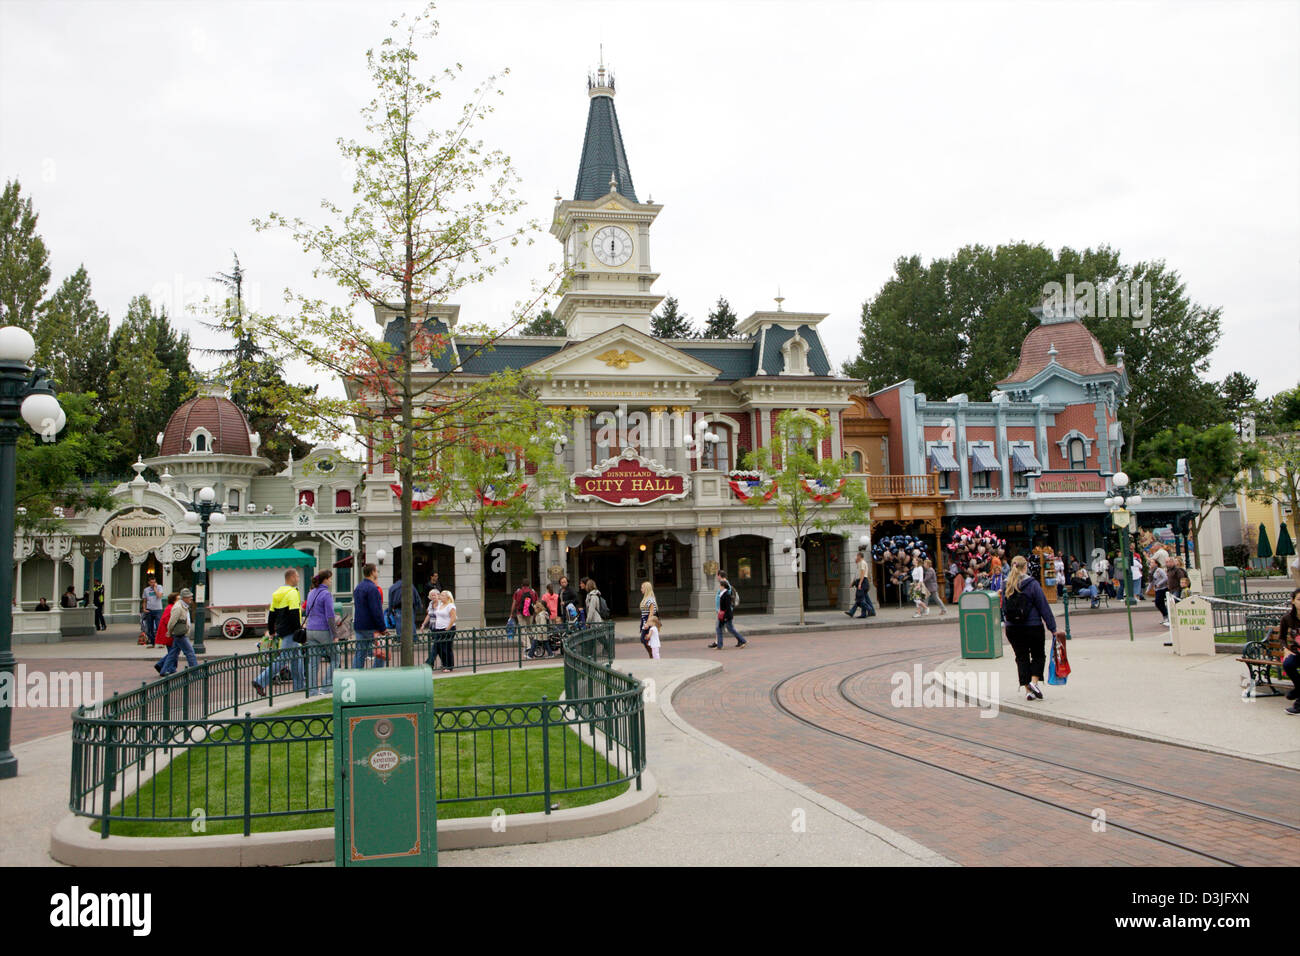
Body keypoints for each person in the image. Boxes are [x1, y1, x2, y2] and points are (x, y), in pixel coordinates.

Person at [1000, 555, 1064, 702]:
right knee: (1038, 655)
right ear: (1025, 567)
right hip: (1033, 626)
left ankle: (1028, 691)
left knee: (1021, 657)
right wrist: (1052, 628)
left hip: (1013, 628)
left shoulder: (1006, 584)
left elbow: (1003, 607)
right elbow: (1043, 607)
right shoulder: (1032, 584)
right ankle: (1034, 683)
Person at [253, 569, 304, 696]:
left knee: (297, 658)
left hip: (283, 630)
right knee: (283, 659)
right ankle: (260, 681)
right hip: (291, 632)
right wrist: (299, 632)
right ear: (291, 577)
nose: (298, 579)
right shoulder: (292, 592)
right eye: (297, 576)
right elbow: (293, 614)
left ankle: (300, 687)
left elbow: (272, 614)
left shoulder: (277, 593)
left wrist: (271, 630)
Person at [302, 570, 336, 696]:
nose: (331, 581)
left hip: (310, 630)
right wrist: (335, 634)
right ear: (325, 579)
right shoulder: (326, 594)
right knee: (335, 657)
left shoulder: (311, 593)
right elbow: (330, 616)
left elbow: (307, 611)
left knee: (313, 662)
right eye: (330, 579)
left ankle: (312, 691)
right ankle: (327, 686)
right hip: (323, 630)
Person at [158, 589, 199, 673]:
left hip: (181, 633)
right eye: (189, 597)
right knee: (190, 652)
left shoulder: (184, 606)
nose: (191, 598)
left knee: (173, 653)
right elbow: (172, 621)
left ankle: (163, 670)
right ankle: (195, 671)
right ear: (184, 598)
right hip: (180, 633)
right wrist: (169, 631)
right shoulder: (178, 607)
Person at [353, 563, 385, 669]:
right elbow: (376, 610)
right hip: (371, 626)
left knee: (360, 653)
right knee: (381, 651)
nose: (377, 573)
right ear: (372, 572)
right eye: (376, 571)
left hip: (359, 625)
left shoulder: (358, 587)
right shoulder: (373, 589)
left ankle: (355, 675)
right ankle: (375, 673)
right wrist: (382, 628)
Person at [1275, 588, 1300, 715]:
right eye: (1299, 599)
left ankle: (1298, 704)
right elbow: (1282, 638)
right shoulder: (1287, 619)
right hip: (1296, 653)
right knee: (1288, 664)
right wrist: (1285, 649)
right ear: (1293, 601)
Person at [707, 572, 748, 649]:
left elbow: (727, 603)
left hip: (724, 613)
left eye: (720, 586)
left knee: (722, 628)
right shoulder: (724, 590)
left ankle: (741, 641)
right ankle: (720, 644)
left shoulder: (726, 591)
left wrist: (723, 613)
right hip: (723, 612)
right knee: (726, 628)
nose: (719, 587)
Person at [426, 590, 456, 672]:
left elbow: (453, 617)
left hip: (447, 629)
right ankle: (443, 664)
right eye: (440, 595)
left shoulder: (450, 606)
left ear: (447, 597)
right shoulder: (440, 605)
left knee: (446, 648)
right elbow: (431, 614)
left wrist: (448, 628)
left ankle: (449, 666)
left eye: (442, 595)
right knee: (439, 647)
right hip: (438, 629)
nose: (440, 597)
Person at [387, 575, 423, 642]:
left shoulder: (393, 587)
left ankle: (400, 638)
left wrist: (389, 612)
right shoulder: (410, 585)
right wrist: (419, 607)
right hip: (409, 607)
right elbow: (417, 597)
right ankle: (414, 638)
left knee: (399, 623)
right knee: (411, 623)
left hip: (398, 608)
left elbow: (390, 601)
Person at [153, 592, 179, 674]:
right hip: (169, 634)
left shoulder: (171, 607)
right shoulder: (170, 608)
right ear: (174, 600)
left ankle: (164, 666)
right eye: (178, 599)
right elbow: (168, 621)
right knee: (173, 651)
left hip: (169, 633)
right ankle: (167, 667)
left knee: (173, 651)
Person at [141, 574, 165, 647]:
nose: (153, 584)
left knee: (158, 627)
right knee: (149, 628)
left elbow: (159, 596)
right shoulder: (146, 590)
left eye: (154, 582)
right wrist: (144, 609)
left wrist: (155, 589)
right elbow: (144, 600)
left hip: (158, 609)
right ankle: (152, 642)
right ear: (149, 582)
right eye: (151, 582)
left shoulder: (159, 587)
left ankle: (160, 642)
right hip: (149, 610)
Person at [638, 581, 657, 659]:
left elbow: (651, 613)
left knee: (644, 638)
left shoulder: (651, 600)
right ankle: (651, 654)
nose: (641, 589)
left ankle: (652, 654)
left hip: (649, 621)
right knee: (644, 639)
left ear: (646, 589)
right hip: (644, 620)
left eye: (642, 587)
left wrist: (647, 623)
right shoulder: (645, 599)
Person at [1151, 560, 1169, 627]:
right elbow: (1152, 581)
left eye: (1152, 562)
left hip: (1162, 588)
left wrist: (1159, 584)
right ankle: (1165, 617)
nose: (1151, 564)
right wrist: (1149, 589)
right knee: (1160, 603)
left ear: (1156, 563)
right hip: (1157, 589)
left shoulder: (1159, 570)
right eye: (1150, 563)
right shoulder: (1152, 571)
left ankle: (1166, 616)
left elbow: (1165, 578)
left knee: (1158, 602)